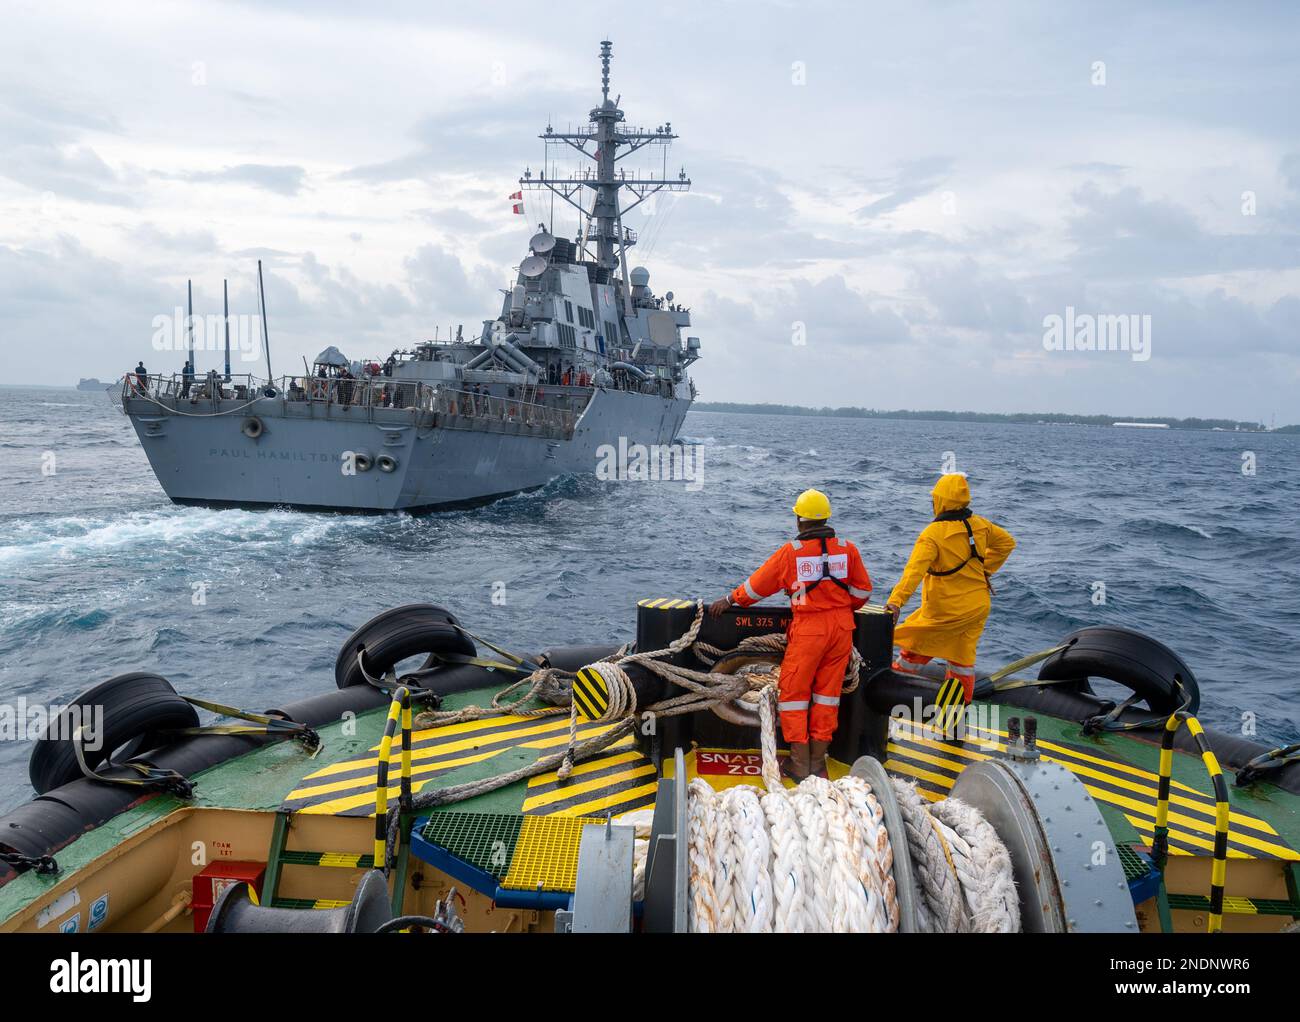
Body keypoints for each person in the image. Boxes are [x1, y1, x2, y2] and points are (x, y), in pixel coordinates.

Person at [708, 488, 872, 781]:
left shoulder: (791, 553)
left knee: (794, 696)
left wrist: (730, 600)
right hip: (842, 629)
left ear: (800, 521)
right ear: (826, 518)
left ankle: (799, 765)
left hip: (809, 630)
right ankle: (819, 764)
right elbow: (862, 592)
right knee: (827, 696)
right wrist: (838, 607)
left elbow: (757, 587)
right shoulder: (849, 549)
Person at [886, 474, 1016, 734]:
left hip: (944, 612)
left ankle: (888, 703)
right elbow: (1007, 543)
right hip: (977, 606)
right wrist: (985, 571)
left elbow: (913, 573)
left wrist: (895, 602)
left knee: (910, 649)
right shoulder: (980, 525)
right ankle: (952, 722)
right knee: (961, 662)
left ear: (940, 501)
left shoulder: (933, 534)